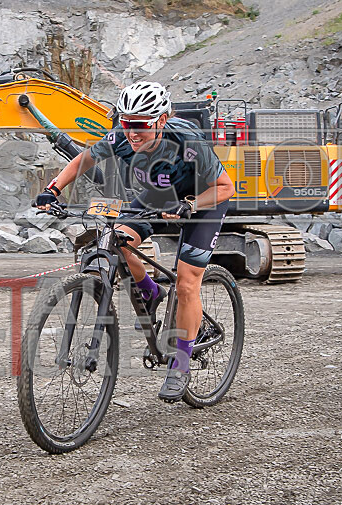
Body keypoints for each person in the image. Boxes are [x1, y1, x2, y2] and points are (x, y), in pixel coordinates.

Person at [34, 81, 235, 402]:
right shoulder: (121, 137)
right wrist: (53, 189)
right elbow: (85, 159)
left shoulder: (188, 141)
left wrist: (191, 205)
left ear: (162, 120)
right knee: (117, 239)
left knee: (186, 284)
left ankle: (181, 364)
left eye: (140, 124)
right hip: (158, 196)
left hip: (203, 201)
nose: (132, 132)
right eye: (126, 123)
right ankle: (151, 292)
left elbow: (225, 187)